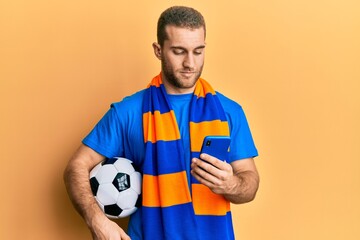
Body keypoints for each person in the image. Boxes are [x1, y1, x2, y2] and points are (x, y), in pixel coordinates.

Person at [64, 6, 259, 240]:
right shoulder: (128, 112)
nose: (190, 63)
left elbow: (250, 181)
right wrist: (96, 221)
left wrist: (231, 185)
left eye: (198, 51)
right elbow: (76, 167)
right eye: (179, 51)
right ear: (158, 50)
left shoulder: (229, 112)